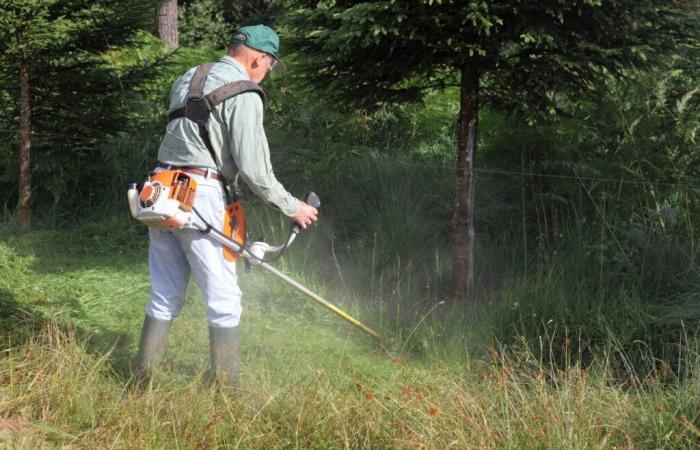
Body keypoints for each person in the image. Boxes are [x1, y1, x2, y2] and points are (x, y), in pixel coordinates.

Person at [132, 25, 318, 390]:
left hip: (160, 188)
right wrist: (293, 207)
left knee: (165, 291)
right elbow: (255, 169)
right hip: (200, 192)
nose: (267, 73)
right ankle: (226, 392)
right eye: (268, 65)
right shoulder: (245, 92)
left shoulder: (189, 77)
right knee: (224, 297)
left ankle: (142, 381)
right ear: (258, 58)